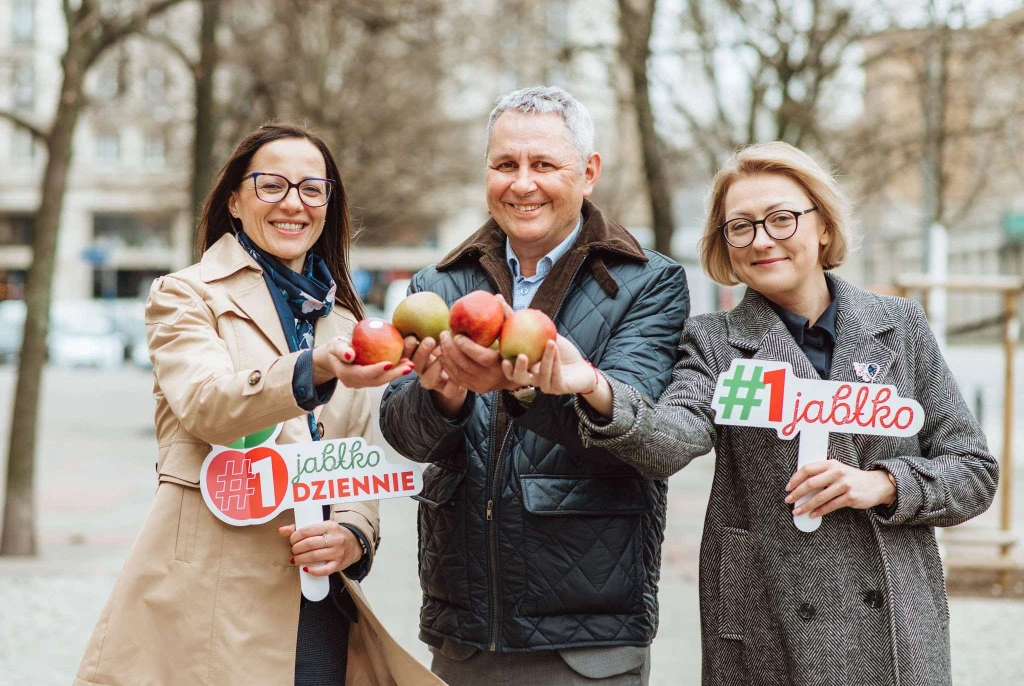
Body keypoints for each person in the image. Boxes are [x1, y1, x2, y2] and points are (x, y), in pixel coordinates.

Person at [522, 141, 1000, 686]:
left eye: (781, 219)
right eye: (740, 226)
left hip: (892, 619)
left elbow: (974, 471)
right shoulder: (715, 342)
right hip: (768, 619)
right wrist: (594, 385)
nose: (762, 240)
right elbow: (670, 441)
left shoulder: (900, 326)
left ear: (822, 226)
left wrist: (884, 483)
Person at [75, 123, 441, 686]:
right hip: (208, 601)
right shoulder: (186, 295)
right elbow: (207, 404)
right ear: (236, 201)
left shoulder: (344, 322)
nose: (294, 203)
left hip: (313, 602)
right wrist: (311, 368)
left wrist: (352, 535)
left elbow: (354, 465)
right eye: (272, 185)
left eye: (312, 189)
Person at [379, 86, 689, 685]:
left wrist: (527, 393)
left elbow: (640, 436)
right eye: (505, 165)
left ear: (589, 172)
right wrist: (443, 396)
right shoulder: (437, 283)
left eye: (544, 164)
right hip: (464, 629)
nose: (522, 183)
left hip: (586, 638)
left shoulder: (647, 283)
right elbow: (404, 432)